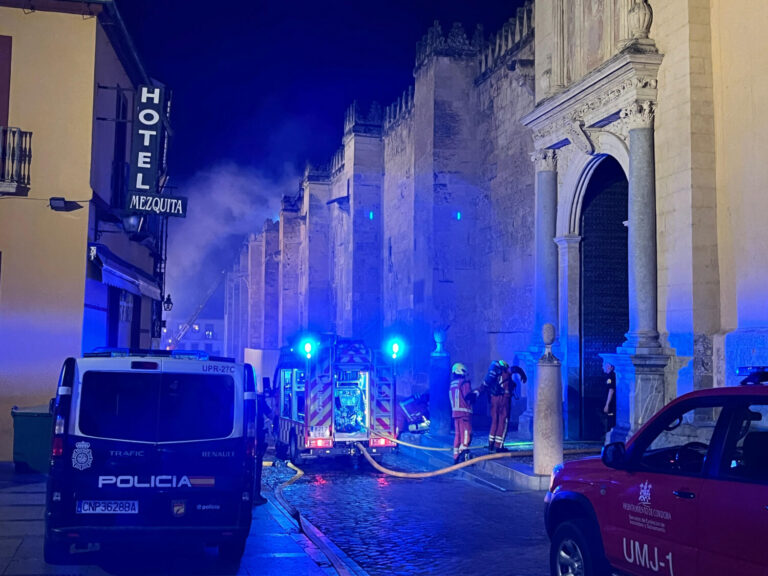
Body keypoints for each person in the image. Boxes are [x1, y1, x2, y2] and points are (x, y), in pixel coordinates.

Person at [484, 360, 527, 453]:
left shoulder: (494, 375)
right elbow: (514, 369)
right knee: (503, 422)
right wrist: (522, 373)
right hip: (504, 399)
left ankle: (491, 444)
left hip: (494, 399)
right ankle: (499, 446)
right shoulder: (505, 372)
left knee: (494, 421)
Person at [449, 363, 477, 464]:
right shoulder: (464, 383)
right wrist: (475, 394)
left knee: (458, 435)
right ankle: (463, 456)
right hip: (464, 413)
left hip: (455, 414)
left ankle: (456, 456)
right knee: (466, 434)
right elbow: (468, 397)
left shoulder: (452, 384)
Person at [602, 360, 616, 433]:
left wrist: (607, 405)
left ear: (609, 367)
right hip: (609, 403)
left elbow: (611, 390)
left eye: (604, 365)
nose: (602, 367)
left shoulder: (610, 377)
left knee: (610, 420)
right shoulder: (609, 376)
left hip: (611, 405)